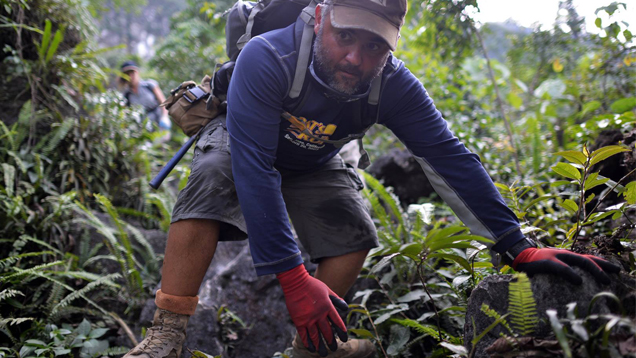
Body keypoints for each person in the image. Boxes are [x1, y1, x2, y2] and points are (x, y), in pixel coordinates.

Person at [123, 1, 621, 358]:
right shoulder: (268, 58)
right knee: (211, 173)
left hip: (317, 158)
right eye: (346, 37)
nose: (356, 59)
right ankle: (167, 334)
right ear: (321, 18)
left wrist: (516, 244)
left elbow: (447, 156)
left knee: (353, 226)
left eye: (375, 46)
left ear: (392, 48)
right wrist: (293, 278)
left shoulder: (395, 86)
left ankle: (310, 349)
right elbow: (253, 167)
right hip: (247, 144)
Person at [118, 61, 172, 133]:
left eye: (132, 73)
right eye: (127, 74)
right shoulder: (127, 95)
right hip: (143, 130)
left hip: (159, 123)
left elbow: (164, 102)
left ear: (137, 72)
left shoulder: (149, 85)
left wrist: (165, 117)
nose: (131, 76)